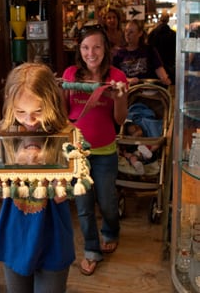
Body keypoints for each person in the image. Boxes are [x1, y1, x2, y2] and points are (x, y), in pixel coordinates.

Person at [0, 63, 75, 293]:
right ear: (10, 104)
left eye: (38, 111)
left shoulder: (68, 137)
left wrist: (57, 178)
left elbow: (67, 192)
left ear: (52, 103)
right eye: (20, 112)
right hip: (15, 234)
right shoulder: (4, 137)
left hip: (52, 236)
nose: (29, 120)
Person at [62, 23, 128, 276]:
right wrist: (59, 88)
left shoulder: (117, 77)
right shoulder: (70, 74)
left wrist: (120, 96)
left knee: (108, 201)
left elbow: (120, 120)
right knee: (84, 206)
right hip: (78, 152)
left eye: (97, 47)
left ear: (105, 48)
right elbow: (64, 113)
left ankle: (111, 230)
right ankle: (91, 250)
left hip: (105, 151)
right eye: (86, 47)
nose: (91, 53)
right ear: (79, 50)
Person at [113, 19, 171, 86]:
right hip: (128, 91)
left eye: (131, 32)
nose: (127, 34)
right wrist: (128, 80)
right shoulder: (119, 53)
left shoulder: (149, 50)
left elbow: (159, 68)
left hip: (146, 89)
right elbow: (114, 76)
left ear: (140, 33)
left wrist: (164, 78)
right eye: (126, 31)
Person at [148, 13, 176, 84]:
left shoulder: (152, 33)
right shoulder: (173, 34)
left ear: (160, 19)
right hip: (169, 65)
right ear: (168, 20)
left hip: (155, 67)